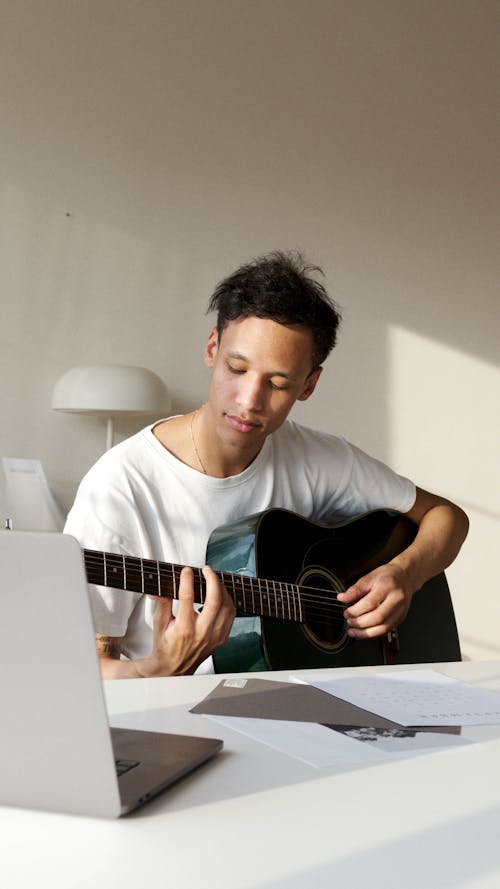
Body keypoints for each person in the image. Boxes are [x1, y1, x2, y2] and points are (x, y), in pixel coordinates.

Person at [64, 250, 469, 678]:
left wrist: (404, 574)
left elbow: (447, 517)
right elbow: (74, 668)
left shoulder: (320, 459)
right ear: (212, 348)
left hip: (315, 706)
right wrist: (162, 670)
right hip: (179, 722)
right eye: (236, 368)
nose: (249, 401)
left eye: (278, 383)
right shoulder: (121, 486)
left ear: (309, 385)